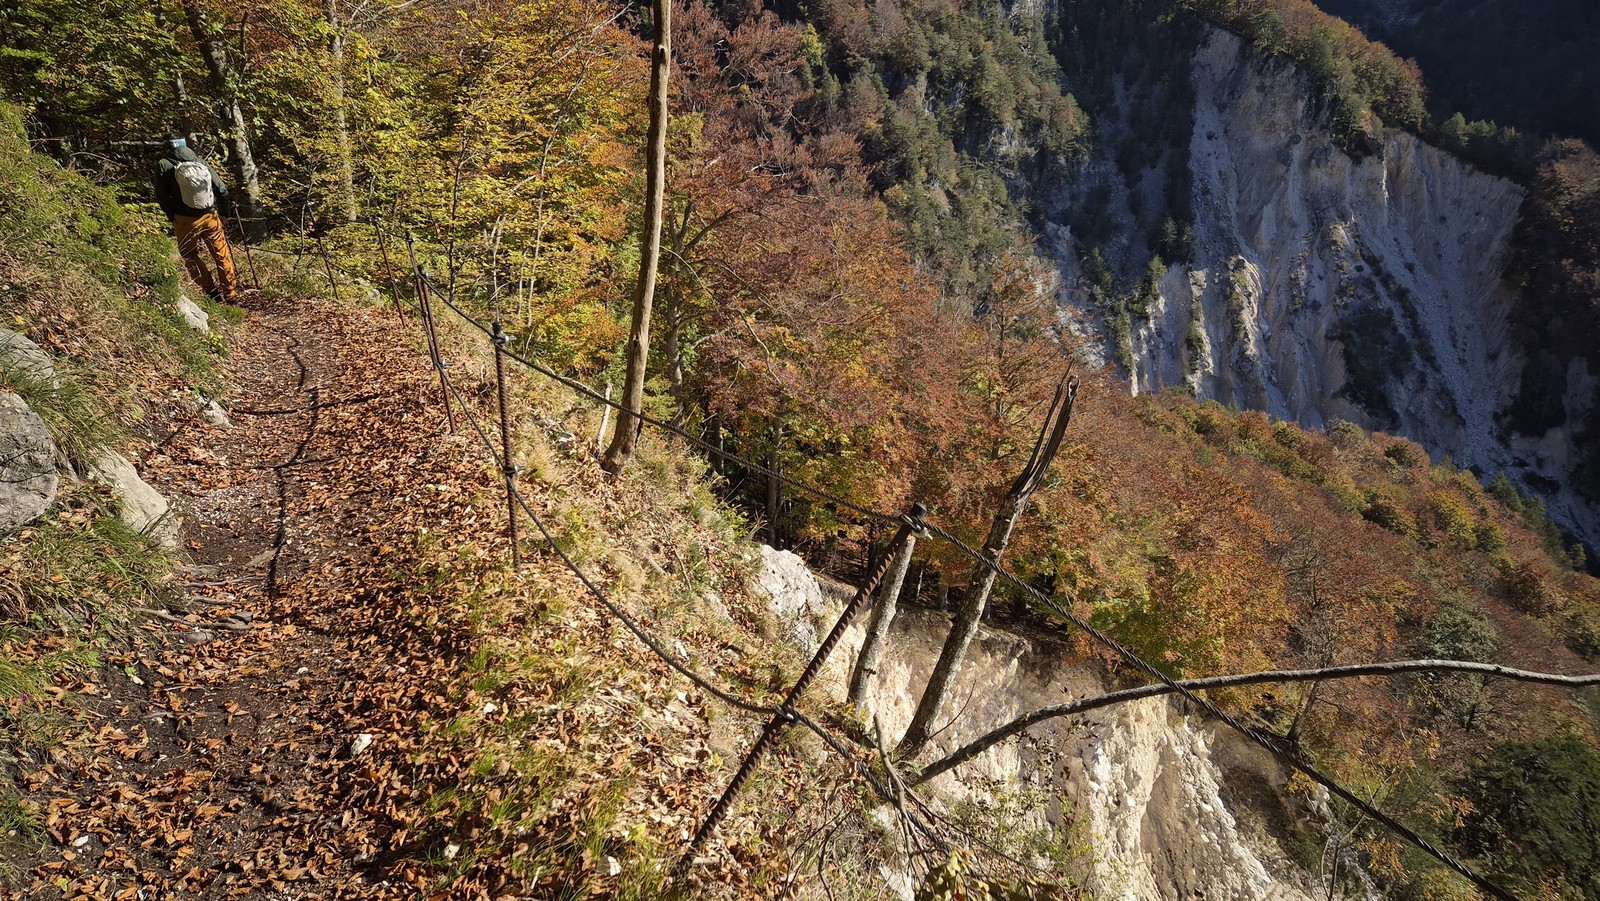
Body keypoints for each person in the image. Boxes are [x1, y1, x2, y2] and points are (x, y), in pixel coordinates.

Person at [153, 136, 241, 305]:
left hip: (184, 220)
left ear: (168, 148)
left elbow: (162, 196)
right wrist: (224, 212)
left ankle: (211, 292)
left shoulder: (163, 165)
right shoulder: (199, 161)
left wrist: (171, 216)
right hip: (210, 216)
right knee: (221, 254)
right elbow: (221, 189)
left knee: (190, 255)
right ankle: (231, 295)